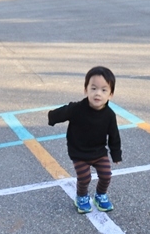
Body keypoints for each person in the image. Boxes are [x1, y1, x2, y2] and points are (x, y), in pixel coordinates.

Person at [47, 66, 122, 214]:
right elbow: (62, 112)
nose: (97, 93)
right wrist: (52, 118)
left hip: (99, 151)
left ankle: (100, 196)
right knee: (84, 177)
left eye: (103, 90)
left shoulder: (109, 115)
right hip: (79, 152)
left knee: (106, 175)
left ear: (110, 95)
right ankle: (81, 196)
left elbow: (114, 136)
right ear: (85, 90)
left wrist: (116, 154)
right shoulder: (77, 109)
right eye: (93, 88)